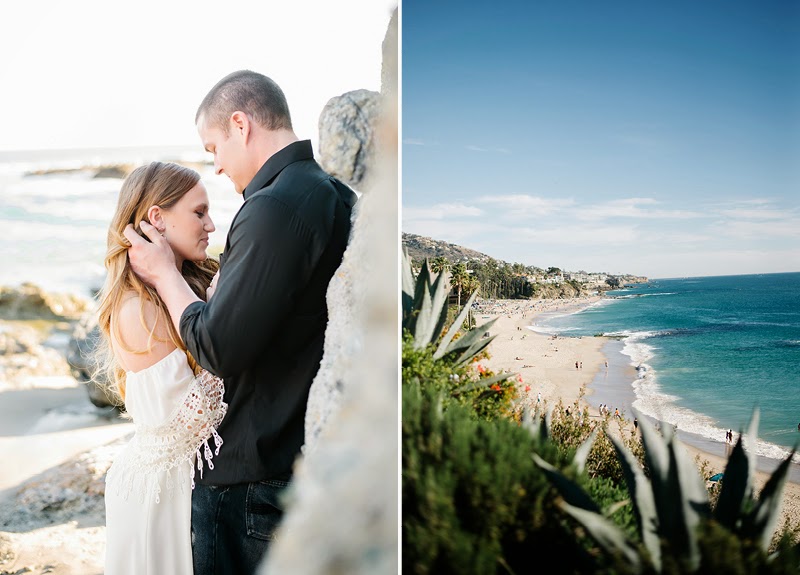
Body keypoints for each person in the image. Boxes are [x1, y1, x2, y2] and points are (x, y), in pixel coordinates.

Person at [123, 70, 357, 575]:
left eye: (214, 148)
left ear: (240, 124)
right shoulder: (332, 193)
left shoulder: (273, 205)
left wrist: (164, 274)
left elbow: (218, 345)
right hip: (288, 456)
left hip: (246, 480)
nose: (219, 166)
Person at [98, 162, 227, 574]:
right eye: (198, 212)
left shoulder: (181, 287)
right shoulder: (137, 307)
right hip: (156, 496)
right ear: (157, 218)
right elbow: (194, 419)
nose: (210, 224)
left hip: (183, 486)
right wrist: (223, 313)